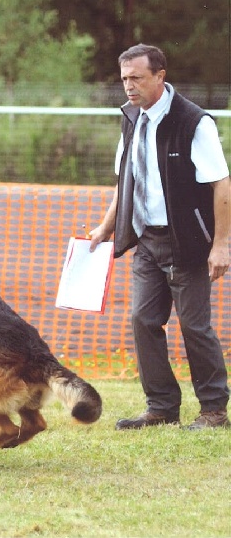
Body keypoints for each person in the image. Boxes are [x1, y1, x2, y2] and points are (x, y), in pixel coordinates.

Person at [89, 43, 230, 430]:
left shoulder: (194, 121)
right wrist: (106, 226)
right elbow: (125, 178)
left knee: (193, 326)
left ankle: (214, 410)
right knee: (142, 319)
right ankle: (162, 408)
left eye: (136, 78)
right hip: (147, 241)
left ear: (160, 76)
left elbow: (222, 185)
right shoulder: (131, 117)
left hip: (188, 244)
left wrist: (221, 245)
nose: (129, 87)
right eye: (124, 79)